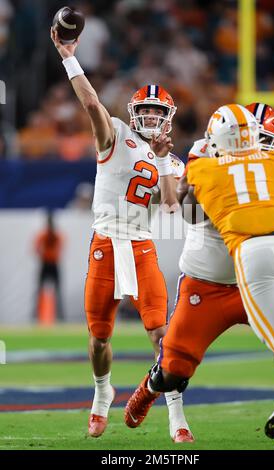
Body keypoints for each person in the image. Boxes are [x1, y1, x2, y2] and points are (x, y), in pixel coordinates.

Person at [51, 28, 194, 443]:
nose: (150, 118)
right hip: (105, 242)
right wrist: (69, 57)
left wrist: (166, 162)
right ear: (135, 113)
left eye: (156, 112)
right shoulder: (113, 132)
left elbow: (169, 204)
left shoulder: (174, 161)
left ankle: (175, 413)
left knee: (160, 335)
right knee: (99, 337)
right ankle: (101, 394)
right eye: (144, 111)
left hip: (141, 243)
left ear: (167, 117)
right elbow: (90, 101)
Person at [125, 103, 274, 440]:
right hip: (210, 283)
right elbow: (189, 215)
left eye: (268, 140)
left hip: (255, 270)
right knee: (173, 371)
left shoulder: (273, 162)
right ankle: (150, 386)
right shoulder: (214, 161)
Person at [34, 211, 64, 322]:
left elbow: (60, 247)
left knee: (57, 290)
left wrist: (49, 255)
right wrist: (46, 255)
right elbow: (36, 247)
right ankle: (37, 314)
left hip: (51, 263)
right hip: (47, 263)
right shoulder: (46, 235)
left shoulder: (53, 235)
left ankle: (60, 316)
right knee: (40, 290)